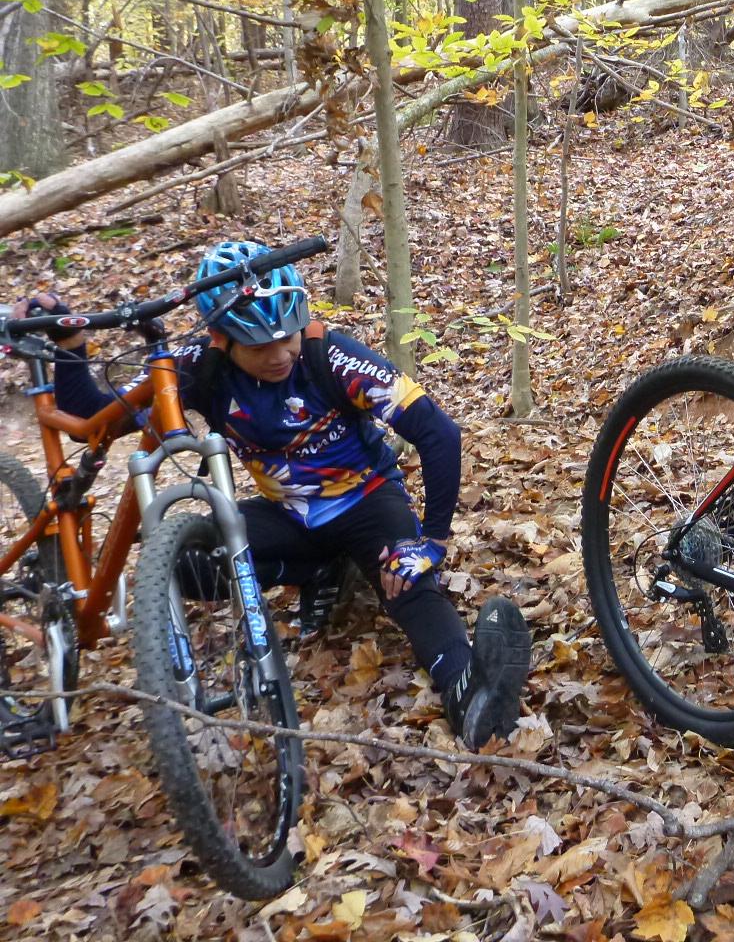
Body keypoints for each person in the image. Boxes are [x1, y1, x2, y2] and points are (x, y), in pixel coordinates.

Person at [25, 241, 530, 750]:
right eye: (259, 346)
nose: (280, 354)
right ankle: (319, 570)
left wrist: (432, 539)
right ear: (222, 338)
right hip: (288, 515)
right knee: (176, 567)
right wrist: (71, 346)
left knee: (407, 584)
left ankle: (469, 692)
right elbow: (93, 415)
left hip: (367, 501)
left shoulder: (330, 355)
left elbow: (438, 432)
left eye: (286, 337)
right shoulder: (200, 365)